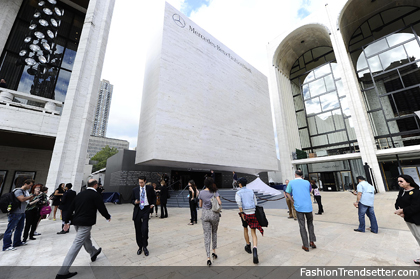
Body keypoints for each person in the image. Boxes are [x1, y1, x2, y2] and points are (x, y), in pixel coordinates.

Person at [55, 179, 111, 279]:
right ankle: (63, 272)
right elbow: (101, 207)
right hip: (86, 222)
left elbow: (71, 207)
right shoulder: (95, 195)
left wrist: (67, 221)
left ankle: (93, 252)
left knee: (86, 238)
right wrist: (107, 216)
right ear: (95, 185)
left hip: (76, 221)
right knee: (77, 243)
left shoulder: (80, 194)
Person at [285, 170, 316, 252]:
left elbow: (287, 193)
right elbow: (310, 190)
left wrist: (292, 200)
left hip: (299, 207)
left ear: (295, 174)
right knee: (310, 223)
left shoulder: (291, 183)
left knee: (302, 225)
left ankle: (305, 245)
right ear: (302, 175)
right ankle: (312, 241)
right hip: (308, 206)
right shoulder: (307, 182)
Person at [394, 174, 420, 265]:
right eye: (398, 181)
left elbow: (416, 207)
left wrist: (403, 211)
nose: (399, 183)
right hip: (408, 219)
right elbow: (397, 202)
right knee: (417, 237)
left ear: (408, 182)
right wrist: (399, 210)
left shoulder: (417, 192)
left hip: (417, 219)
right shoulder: (402, 191)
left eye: (401, 181)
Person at [235, 177, 262, 264]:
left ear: (240, 184)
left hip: (245, 213)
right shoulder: (251, 191)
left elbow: (239, 204)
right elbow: (255, 202)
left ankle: (248, 245)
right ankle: (255, 248)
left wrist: (242, 213)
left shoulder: (238, 193)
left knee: (245, 228)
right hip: (253, 212)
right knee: (253, 232)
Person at [3, 179, 34, 251]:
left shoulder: (26, 191)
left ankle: (17, 242)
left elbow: (27, 200)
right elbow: (22, 199)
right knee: (10, 229)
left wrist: (31, 198)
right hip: (15, 213)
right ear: (25, 184)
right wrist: (31, 196)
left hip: (22, 212)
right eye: (30, 185)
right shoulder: (18, 191)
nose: (30, 187)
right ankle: (6, 246)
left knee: (19, 228)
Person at [198, 177, 221, 266]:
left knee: (206, 235)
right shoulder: (214, 191)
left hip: (205, 215)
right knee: (214, 232)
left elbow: (200, 205)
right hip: (214, 214)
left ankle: (208, 257)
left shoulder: (201, 192)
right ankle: (214, 252)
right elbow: (219, 202)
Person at [132, 176, 156, 256]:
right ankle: (140, 247)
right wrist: (135, 202)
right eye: (139, 182)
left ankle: (145, 246)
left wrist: (152, 204)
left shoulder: (149, 188)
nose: (140, 184)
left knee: (144, 229)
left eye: (142, 182)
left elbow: (153, 197)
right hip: (138, 210)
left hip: (146, 209)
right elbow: (131, 199)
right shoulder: (135, 190)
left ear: (145, 181)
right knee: (138, 230)